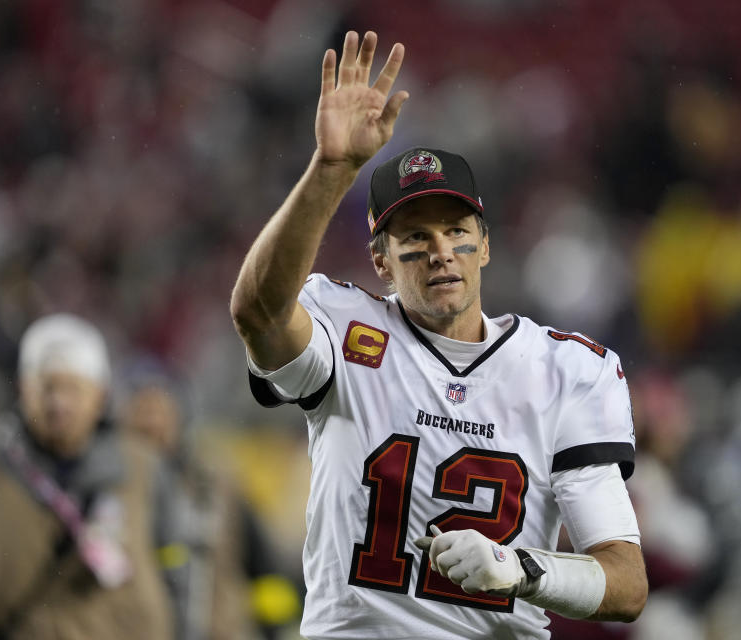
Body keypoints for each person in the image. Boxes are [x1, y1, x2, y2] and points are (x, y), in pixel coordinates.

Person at [229, 30, 648, 639]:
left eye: (456, 231)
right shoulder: (347, 332)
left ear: (485, 245)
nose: (440, 252)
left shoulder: (566, 373)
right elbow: (260, 313)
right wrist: (332, 169)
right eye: (415, 239)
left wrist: (520, 566)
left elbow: (627, 584)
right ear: (382, 261)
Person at [0, 314, 177, 640]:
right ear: (24, 388)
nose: (59, 403)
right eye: (47, 387)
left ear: (100, 394)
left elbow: (181, 568)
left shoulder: (144, 467)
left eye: (73, 388)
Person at [121, 368, 301, 640]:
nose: (152, 424)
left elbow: (265, 569)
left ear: (180, 418)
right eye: (142, 412)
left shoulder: (217, 487)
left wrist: (275, 629)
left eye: (160, 411)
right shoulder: (107, 488)